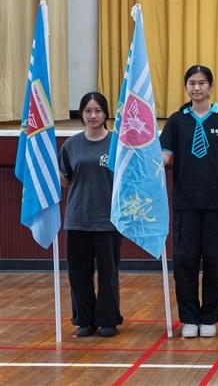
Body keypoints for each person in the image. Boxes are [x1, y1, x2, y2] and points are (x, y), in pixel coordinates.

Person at [160, 65, 218, 338]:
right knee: (184, 261)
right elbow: (166, 158)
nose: (197, 88)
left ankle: (209, 316)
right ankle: (189, 318)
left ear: (210, 87)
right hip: (185, 202)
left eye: (202, 83)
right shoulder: (176, 121)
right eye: (192, 83)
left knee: (215, 261)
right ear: (186, 87)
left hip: (217, 202)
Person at [58, 92, 123, 337]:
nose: (93, 115)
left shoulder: (117, 142)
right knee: (79, 274)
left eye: (97, 111)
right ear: (82, 114)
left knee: (108, 274)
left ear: (106, 113)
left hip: (108, 220)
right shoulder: (71, 145)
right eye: (87, 111)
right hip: (78, 219)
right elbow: (65, 180)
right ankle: (84, 319)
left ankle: (108, 320)